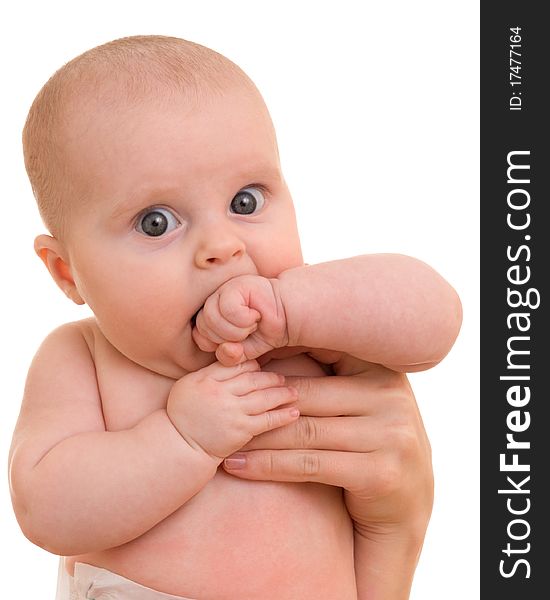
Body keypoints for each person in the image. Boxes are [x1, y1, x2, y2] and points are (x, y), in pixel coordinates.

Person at [8, 35, 461, 599]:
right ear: (67, 271)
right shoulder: (81, 358)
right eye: (156, 222)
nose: (221, 246)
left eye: (246, 201)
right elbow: (47, 511)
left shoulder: (316, 327)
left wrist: (297, 309)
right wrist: (181, 439)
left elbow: (437, 321)